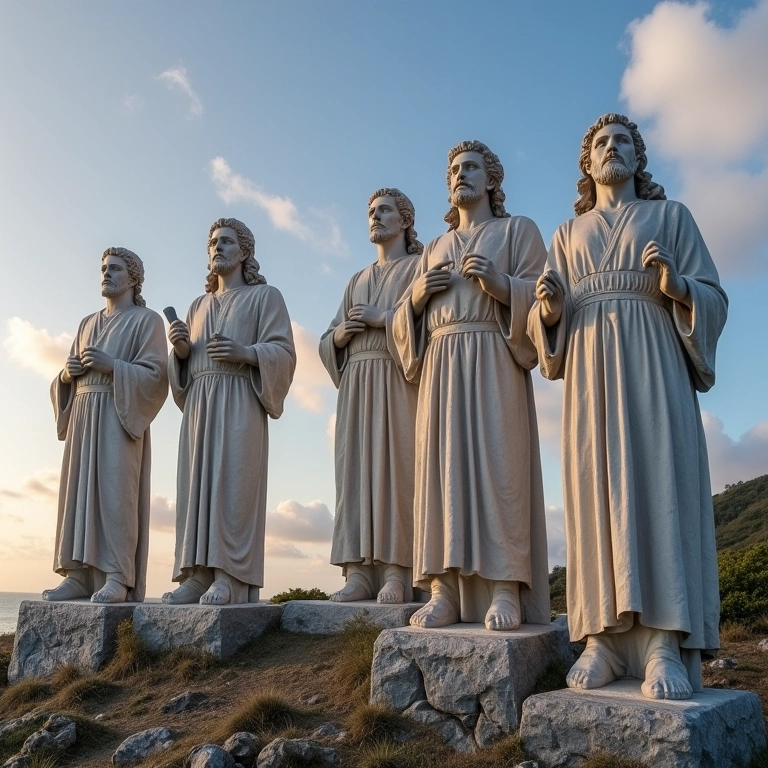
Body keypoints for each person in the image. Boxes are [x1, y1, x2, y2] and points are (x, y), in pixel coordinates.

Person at [528, 113, 728, 699]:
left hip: (654, 364)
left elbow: (713, 293)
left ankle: (664, 639)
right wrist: (550, 309)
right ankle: (602, 640)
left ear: (638, 159)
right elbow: (545, 329)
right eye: (599, 144)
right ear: (587, 164)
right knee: (596, 491)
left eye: (621, 142)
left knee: (658, 482)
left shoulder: (672, 217)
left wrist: (679, 288)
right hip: (589, 372)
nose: (611, 149)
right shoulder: (567, 233)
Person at [392, 141, 551, 630]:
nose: (460, 175)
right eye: (454, 170)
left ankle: (504, 587)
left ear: (492, 180)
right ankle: (443, 589)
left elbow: (544, 296)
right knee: (441, 472)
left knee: (500, 466)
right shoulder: (435, 248)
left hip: (493, 355)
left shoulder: (517, 231)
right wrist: (416, 298)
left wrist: (504, 286)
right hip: (440, 360)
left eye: (471, 168)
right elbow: (402, 321)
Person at [163, 217, 295, 605]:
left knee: (233, 485)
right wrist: (182, 352)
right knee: (196, 487)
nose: (217, 247)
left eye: (226, 241)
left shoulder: (265, 297)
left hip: (240, 397)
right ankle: (196, 574)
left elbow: (285, 353)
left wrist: (248, 353)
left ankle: (229, 576)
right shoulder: (197, 305)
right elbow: (183, 369)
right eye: (212, 242)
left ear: (244, 252)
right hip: (201, 405)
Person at [45, 247, 167, 603]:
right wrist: (67, 375)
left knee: (116, 493)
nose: (106, 273)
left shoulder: (147, 321)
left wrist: (113, 365)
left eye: (114, 268)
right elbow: (65, 376)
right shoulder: (87, 323)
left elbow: (157, 374)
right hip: (84, 413)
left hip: (119, 411)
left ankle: (117, 574)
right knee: (78, 493)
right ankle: (78, 573)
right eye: (103, 268)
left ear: (133, 278)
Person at [320, 188, 422, 604]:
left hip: (397, 374)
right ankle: (358, 570)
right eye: (370, 212)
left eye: (384, 210)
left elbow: (427, 322)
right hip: (356, 381)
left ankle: (399, 570)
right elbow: (328, 338)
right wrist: (342, 334)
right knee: (355, 473)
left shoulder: (418, 266)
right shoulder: (355, 280)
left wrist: (385, 320)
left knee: (397, 469)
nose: (375, 217)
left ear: (404, 220)